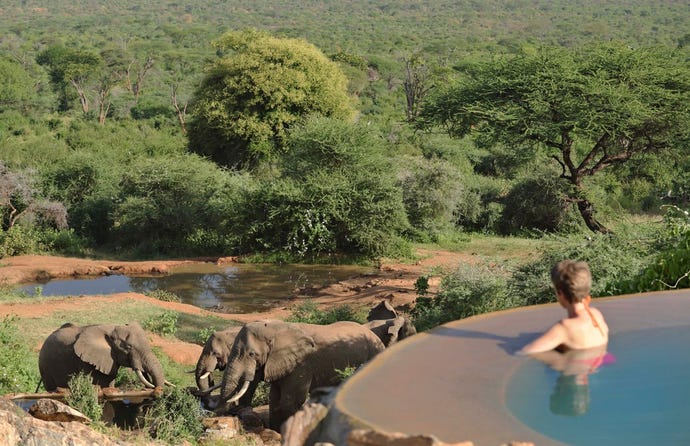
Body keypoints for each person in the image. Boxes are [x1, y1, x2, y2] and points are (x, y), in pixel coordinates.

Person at [519, 260, 609, 355]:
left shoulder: (564, 328)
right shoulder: (596, 314)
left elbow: (525, 352)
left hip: (577, 368)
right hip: (603, 360)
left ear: (560, 293)